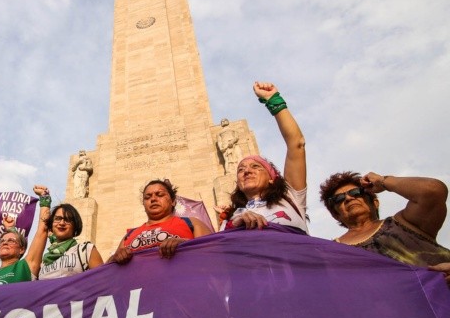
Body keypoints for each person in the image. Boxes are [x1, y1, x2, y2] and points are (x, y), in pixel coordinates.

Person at [222, 82, 308, 233]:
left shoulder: (290, 196)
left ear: (271, 177)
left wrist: (273, 100)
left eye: (256, 166)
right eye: (241, 170)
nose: (246, 171)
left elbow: (297, 144)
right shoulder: (231, 218)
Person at [319, 171, 450, 269]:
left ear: (375, 203)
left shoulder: (405, 223)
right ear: (336, 215)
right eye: (338, 199)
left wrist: (383, 182)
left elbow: (433, 191)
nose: (348, 199)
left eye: (356, 193)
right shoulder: (331, 251)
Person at [109, 179, 213, 264]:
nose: (153, 199)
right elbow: (106, 269)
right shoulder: (129, 235)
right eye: (147, 197)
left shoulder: (192, 223)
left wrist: (184, 244)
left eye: (159, 195)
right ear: (144, 204)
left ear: (173, 201)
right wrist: (115, 258)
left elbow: (213, 254)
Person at [25, 186, 104, 279]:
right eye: (58, 219)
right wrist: (44, 197)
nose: (62, 223)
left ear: (75, 226)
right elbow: (43, 226)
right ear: (51, 226)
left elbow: (103, 282)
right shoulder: (43, 263)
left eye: (67, 220)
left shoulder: (86, 250)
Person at [0, 188, 50, 286]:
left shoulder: (25, 266)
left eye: (11, 241)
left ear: (21, 249)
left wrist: (44, 198)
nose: (5, 242)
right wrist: (10, 228)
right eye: (2, 241)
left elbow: (43, 230)